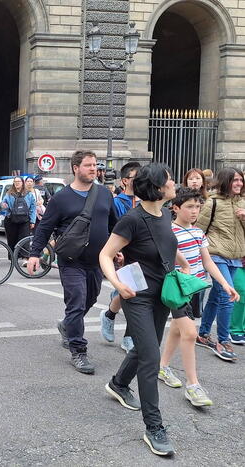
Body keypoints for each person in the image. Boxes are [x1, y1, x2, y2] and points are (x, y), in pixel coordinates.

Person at [99, 163, 193, 457]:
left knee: (144, 347)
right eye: (170, 180)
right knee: (151, 355)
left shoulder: (165, 214)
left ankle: (118, 383)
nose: (174, 182)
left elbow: (166, 242)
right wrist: (116, 282)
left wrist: (183, 263)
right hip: (136, 294)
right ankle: (154, 427)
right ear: (157, 187)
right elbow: (106, 254)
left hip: (162, 294)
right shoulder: (132, 219)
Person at [28, 150, 117, 374]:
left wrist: (118, 249)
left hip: (97, 261)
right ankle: (78, 350)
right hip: (71, 261)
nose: (93, 169)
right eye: (88, 165)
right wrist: (34, 254)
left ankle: (68, 324)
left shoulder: (104, 194)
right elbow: (45, 227)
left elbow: (115, 224)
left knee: (92, 297)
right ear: (75, 168)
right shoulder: (61, 198)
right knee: (76, 301)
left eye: (95, 165)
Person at [159, 187, 239, 406]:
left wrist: (224, 284)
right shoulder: (169, 231)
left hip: (196, 288)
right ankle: (193, 385)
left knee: (178, 329)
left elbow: (208, 262)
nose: (195, 211)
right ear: (176, 208)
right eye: (189, 207)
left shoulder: (198, 233)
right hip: (177, 288)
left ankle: (163, 367)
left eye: (197, 206)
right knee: (190, 333)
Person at [194, 167, 245, 360]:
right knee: (227, 296)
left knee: (216, 296)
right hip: (216, 254)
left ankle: (203, 334)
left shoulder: (242, 201)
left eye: (241, 180)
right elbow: (200, 229)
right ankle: (224, 340)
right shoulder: (213, 202)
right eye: (235, 180)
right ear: (225, 182)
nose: (239, 183)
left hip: (236, 256)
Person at [100, 161, 142, 352]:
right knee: (133, 295)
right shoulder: (117, 202)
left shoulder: (145, 201)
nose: (141, 181)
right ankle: (124, 332)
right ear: (125, 180)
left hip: (143, 255)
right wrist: (117, 252)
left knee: (135, 295)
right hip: (124, 255)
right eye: (136, 177)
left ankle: (111, 315)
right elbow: (113, 230)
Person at [1, 176, 36, 250]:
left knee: (24, 240)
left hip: (25, 220)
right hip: (11, 220)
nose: (16, 183)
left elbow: (33, 208)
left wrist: (32, 221)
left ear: (22, 183)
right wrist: (4, 206)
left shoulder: (29, 194)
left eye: (18, 182)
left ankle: (25, 258)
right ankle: (13, 258)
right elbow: (3, 205)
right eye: (15, 182)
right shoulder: (9, 194)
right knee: (12, 240)